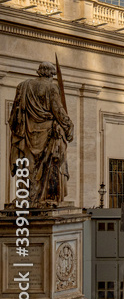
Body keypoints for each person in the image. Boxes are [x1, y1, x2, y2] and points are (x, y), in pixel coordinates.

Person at [9, 62, 74, 206]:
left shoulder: (22, 86)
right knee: (47, 167)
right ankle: (44, 198)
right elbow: (58, 111)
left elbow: (14, 115)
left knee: (27, 166)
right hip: (47, 135)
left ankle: (25, 197)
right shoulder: (51, 88)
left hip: (26, 133)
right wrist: (69, 127)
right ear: (51, 74)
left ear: (39, 72)